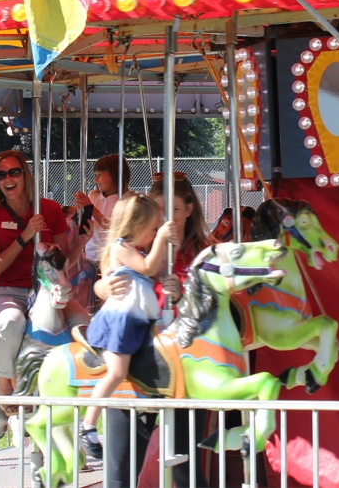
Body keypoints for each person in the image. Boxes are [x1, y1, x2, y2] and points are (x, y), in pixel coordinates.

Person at [95, 173, 212, 487]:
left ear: (188, 209)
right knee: (120, 469)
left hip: (182, 366)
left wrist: (185, 292)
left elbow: (221, 305)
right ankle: (87, 424)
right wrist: (102, 286)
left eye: (171, 210)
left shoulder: (204, 253)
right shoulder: (143, 246)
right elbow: (111, 270)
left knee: (186, 468)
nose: (163, 220)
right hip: (138, 355)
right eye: (158, 211)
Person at [80, 194, 177, 460]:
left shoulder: (139, 251)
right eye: (152, 229)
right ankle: (88, 425)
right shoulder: (121, 249)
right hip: (120, 322)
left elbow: (156, 269)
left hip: (140, 322)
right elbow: (147, 268)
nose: (155, 233)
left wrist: (167, 245)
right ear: (136, 227)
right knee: (117, 370)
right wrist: (161, 240)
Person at [0, 151, 68, 407]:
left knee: (82, 319)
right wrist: (25, 235)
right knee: (12, 321)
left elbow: (63, 257)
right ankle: (4, 383)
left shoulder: (49, 208)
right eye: (1, 174)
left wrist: (76, 244)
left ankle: (84, 381)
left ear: (25, 175)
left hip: (45, 289)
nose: (8, 178)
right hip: (6, 291)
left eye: (14, 172)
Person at [73, 154, 131, 266]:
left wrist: (90, 207)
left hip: (112, 260)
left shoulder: (126, 200)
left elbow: (114, 228)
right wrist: (79, 210)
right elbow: (86, 225)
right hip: (90, 256)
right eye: (95, 175)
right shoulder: (93, 195)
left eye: (99, 175)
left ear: (115, 176)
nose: (95, 179)